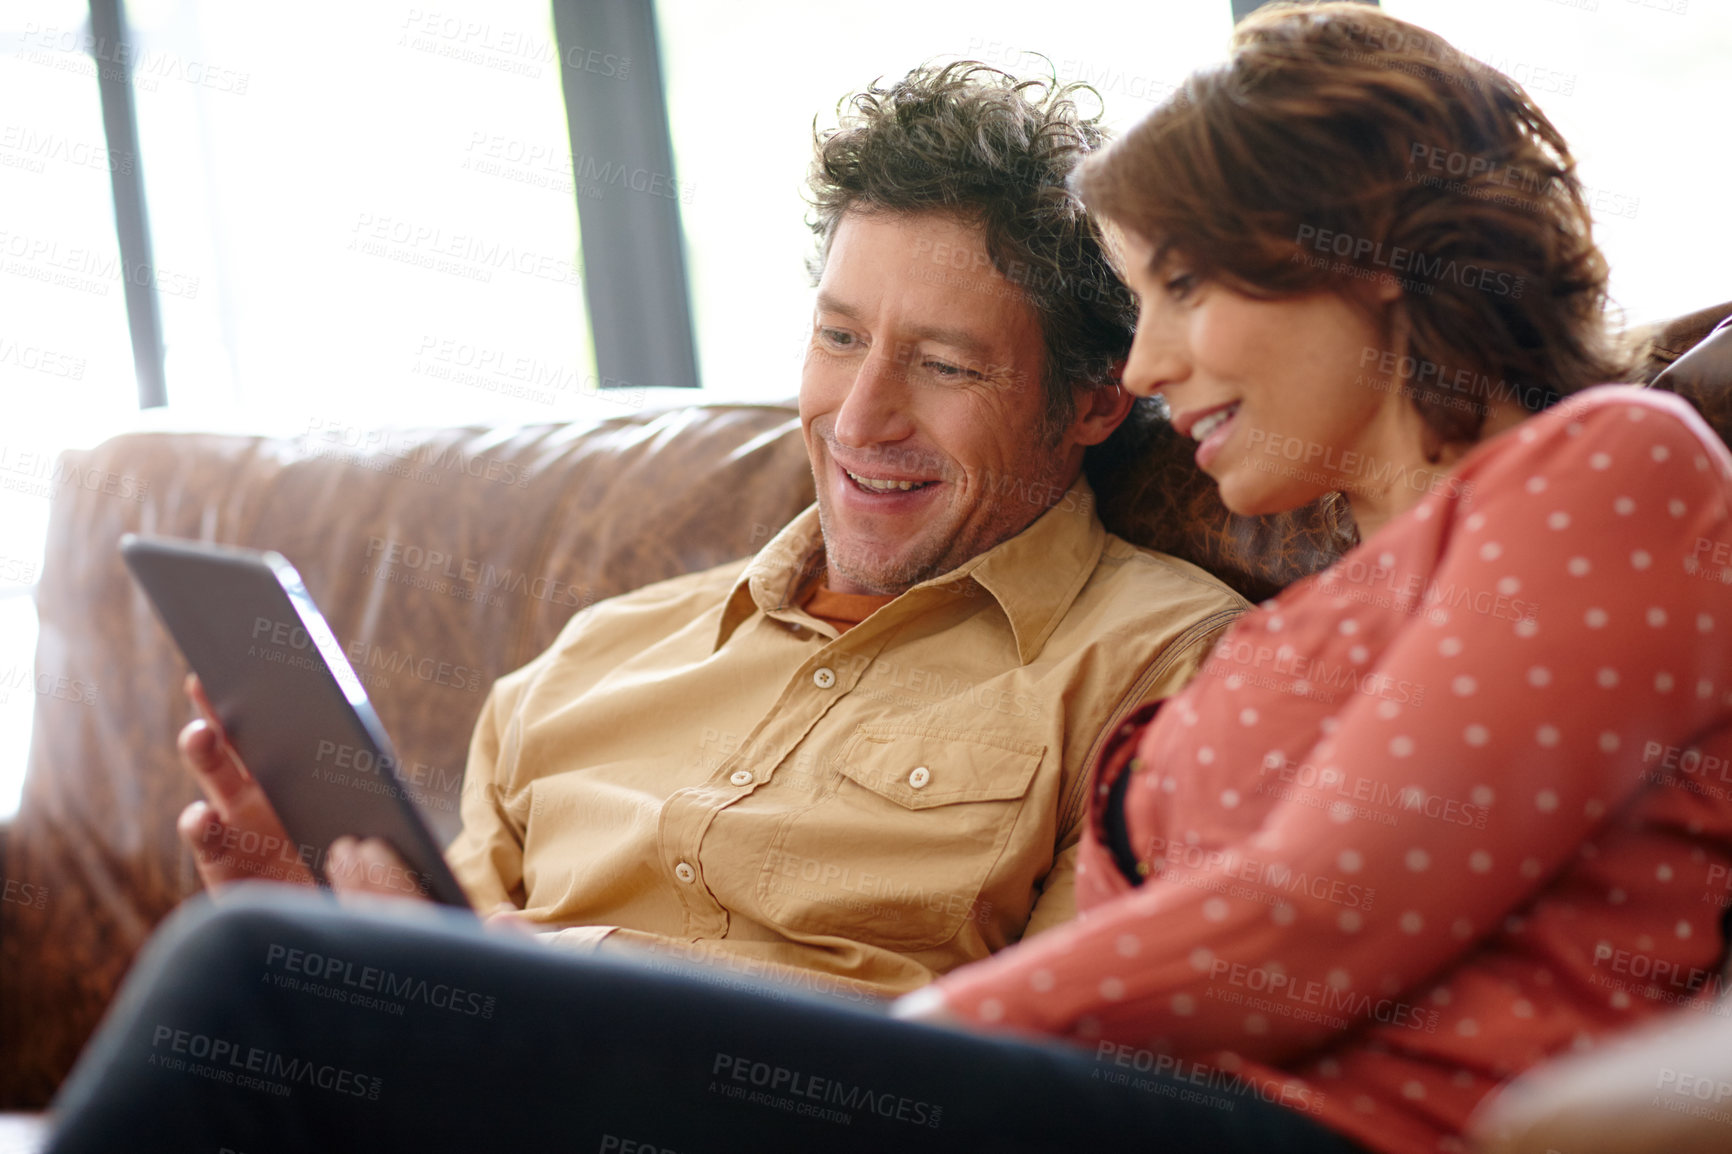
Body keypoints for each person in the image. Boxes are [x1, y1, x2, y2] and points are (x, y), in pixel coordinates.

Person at [50, 6, 1728, 1153]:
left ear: (1355, 268)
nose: (1147, 363)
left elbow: (1312, 914)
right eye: (1132, 304)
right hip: (1082, 1100)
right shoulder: (1375, 583)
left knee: (247, 979)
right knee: (281, 965)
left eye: (1181, 293)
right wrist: (412, 961)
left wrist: (888, 1042)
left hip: (1297, 1131)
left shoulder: (1615, 466)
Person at [170, 62, 1244, 998]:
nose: (859, 417)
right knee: (222, 969)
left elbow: (1056, 1074)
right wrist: (307, 938)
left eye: (945, 364)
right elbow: (421, 1019)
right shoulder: (595, 656)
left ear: (1095, 401)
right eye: (837, 336)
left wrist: (547, 991)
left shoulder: (1167, 665)